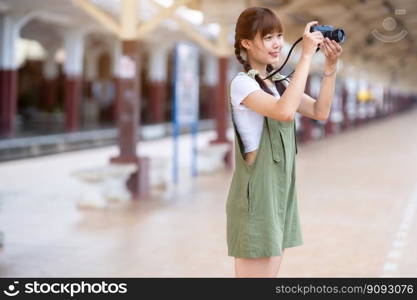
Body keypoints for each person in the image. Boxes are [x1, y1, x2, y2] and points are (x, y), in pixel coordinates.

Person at [226, 7, 343, 277]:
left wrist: (330, 67)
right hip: (257, 194)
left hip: (281, 187)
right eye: (268, 37)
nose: (278, 43)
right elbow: (284, 111)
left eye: (279, 35)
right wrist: (304, 57)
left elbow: (320, 112)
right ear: (246, 43)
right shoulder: (242, 84)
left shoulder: (278, 82)